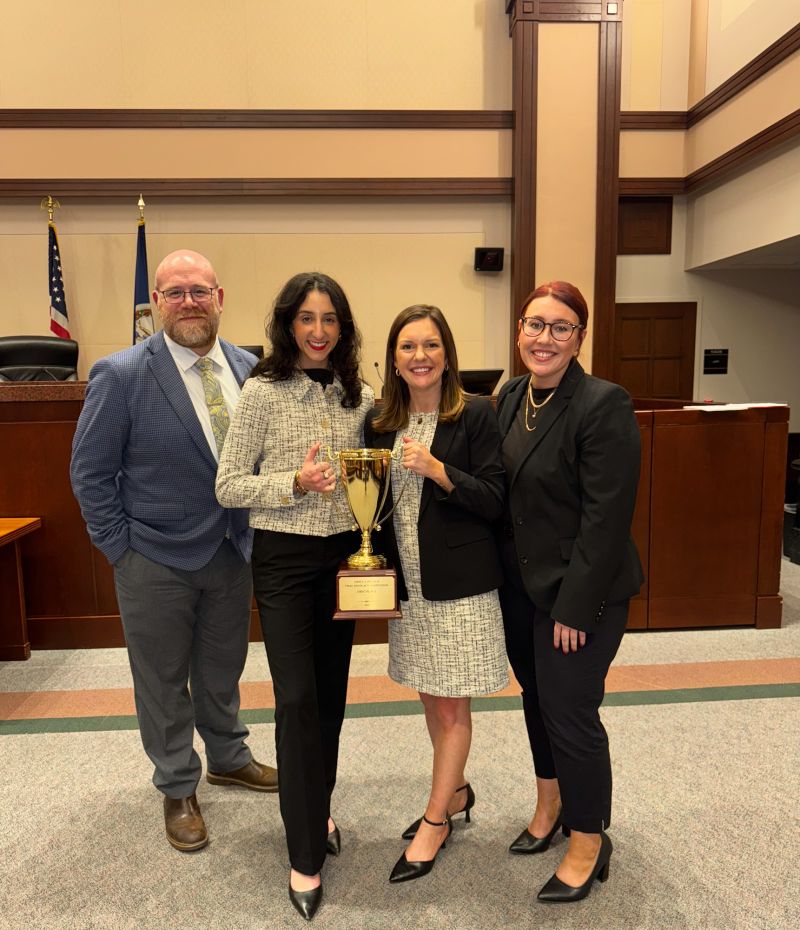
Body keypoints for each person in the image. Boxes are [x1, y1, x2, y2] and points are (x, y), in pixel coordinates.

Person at [70, 249, 278, 853]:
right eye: (176, 292)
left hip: (232, 551)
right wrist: (121, 549)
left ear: (221, 297)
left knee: (222, 668)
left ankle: (228, 756)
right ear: (156, 302)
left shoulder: (250, 369)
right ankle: (178, 784)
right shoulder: (122, 373)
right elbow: (90, 473)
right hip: (153, 557)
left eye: (200, 291)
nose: (190, 302)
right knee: (161, 678)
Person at [215, 272, 373, 921]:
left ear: (343, 327)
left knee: (330, 696)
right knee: (297, 698)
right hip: (281, 561)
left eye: (329, 319)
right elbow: (228, 486)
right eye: (306, 318)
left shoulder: (360, 396)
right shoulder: (260, 391)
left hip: (344, 561)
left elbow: (376, 475)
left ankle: (320, 806)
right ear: (287, 324)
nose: (317, 330)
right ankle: (303, 853)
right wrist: (294, 483)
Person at [496, 281, 644, 903]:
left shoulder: (602, 403)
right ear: (520, 329)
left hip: (582, 596)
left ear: (579, 338)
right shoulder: (508, 397)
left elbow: (607, 519)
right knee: (537, 700)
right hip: (521, 589)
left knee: (571, 714)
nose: (544, 338)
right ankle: (549, 805)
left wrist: (575, 605)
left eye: (561, 328)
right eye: (535, 325)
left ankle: (589, 837)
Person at [364, 305, 508, 884]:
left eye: (430, 345)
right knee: (429, 695)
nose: (419, 356)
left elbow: (495, 499)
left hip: (461, 588)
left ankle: (434, 819)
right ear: (394, 360)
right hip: (410, 587)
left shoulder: (475, 414)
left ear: (447, 354)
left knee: (453, 706)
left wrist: (438, 470)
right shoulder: (379, 421)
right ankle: (458, 790)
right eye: (407, 347)